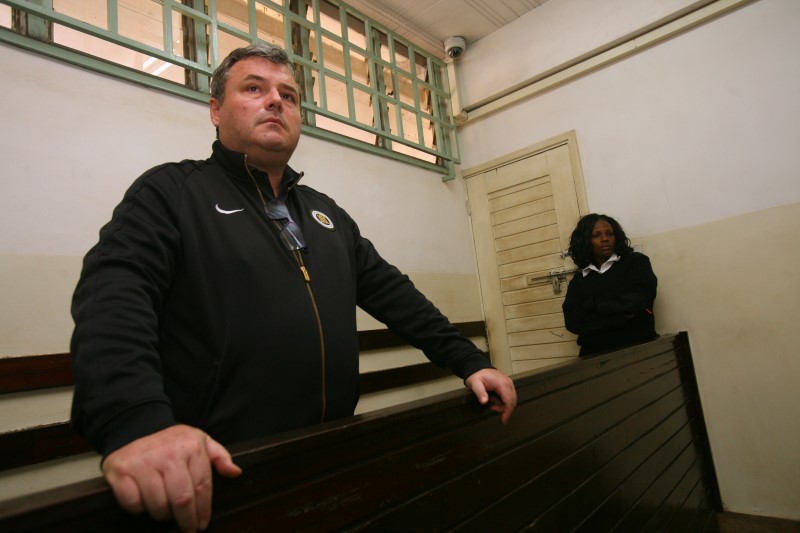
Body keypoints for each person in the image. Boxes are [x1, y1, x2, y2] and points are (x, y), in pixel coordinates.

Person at [69, 43, 516, 531]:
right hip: (222, 471)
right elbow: (113, 295)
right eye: (254, 88)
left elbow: (394, 294)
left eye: (289, 94)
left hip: (330, 455)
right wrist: (138, 422)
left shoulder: (326, 214)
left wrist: (469, 360)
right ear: (216, 110)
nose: (276, 101)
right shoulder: (172, 193)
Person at [562, 213, 657, 357]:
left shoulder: (636, 263)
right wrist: (619, 317)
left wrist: (591, 305)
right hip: (593, 353)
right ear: (586, 241)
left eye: (609, 234)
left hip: (637, 347)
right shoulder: (579, 281)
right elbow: (573, 323)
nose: (605, 239)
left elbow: (636, 303)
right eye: (596, 235)